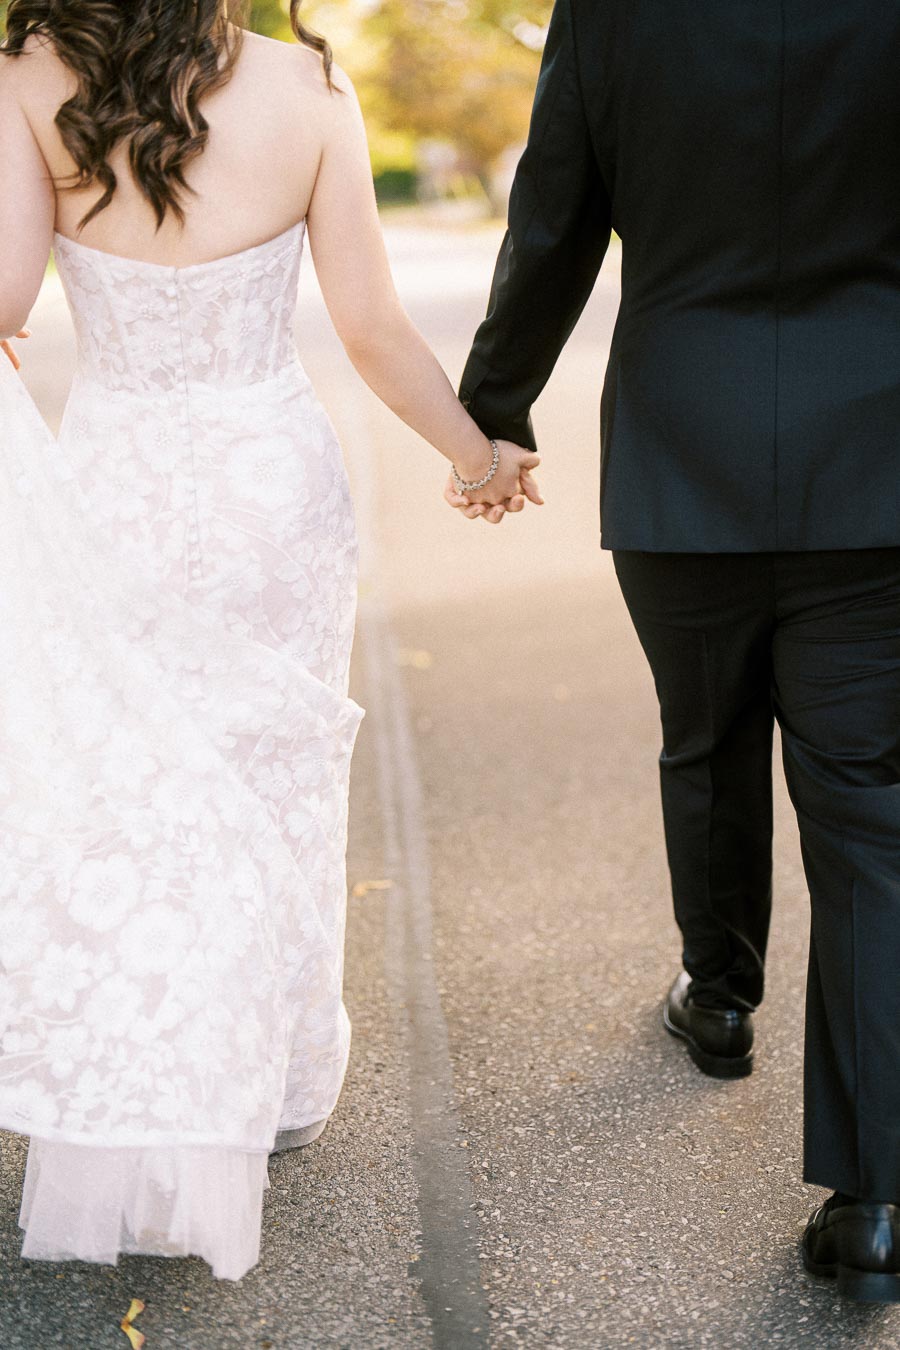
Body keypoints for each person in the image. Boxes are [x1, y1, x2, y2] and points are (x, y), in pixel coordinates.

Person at [0, 0, 540, 1280]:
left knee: (130, 783)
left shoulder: (27, 79)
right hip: (270, 489)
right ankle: (280, 1077)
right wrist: (477, 453)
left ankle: (134, 1064)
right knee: (275, 773)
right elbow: (369, 329)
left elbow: (4, 310)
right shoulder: (305, 86)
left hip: (118, 476)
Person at [453, 0, 900, 1305]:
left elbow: (554, 223)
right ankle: (873, 1199)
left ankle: (717, 996)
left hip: (681, 450)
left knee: (705, 736)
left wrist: (493, 407)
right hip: (875, 463)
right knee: (872, 813)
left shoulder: (613, 14)